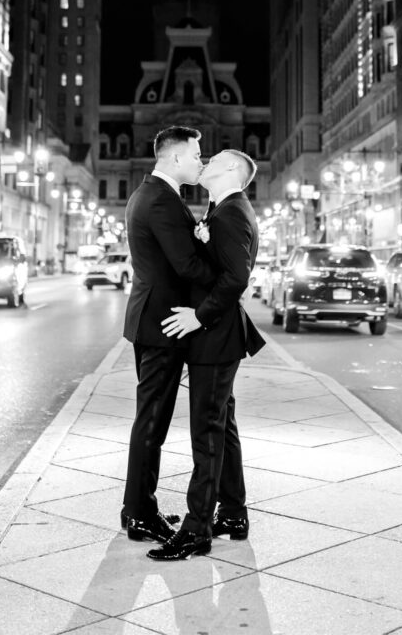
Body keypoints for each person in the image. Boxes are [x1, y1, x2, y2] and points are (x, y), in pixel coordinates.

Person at [149, 149, 265, 561]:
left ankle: (197, 530)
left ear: (231, 170)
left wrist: (198, 317)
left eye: (213, 159)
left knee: (207, 433)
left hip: (215, 337)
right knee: (222, 427)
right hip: (217, 336)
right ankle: (233, 514)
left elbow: (236, 278)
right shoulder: (223, 209)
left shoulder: (233, 212)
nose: (206, 162)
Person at [121, 125, 217, 544]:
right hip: (163, 325)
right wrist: (226, 274)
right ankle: (140, 513)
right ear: (175, 158)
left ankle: (136, 509)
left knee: (151, 421)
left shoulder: (155, 195)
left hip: (154, 320)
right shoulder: (160, 200)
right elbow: (186, 266)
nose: (202, 161)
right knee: (152, 424)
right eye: (197, 155)